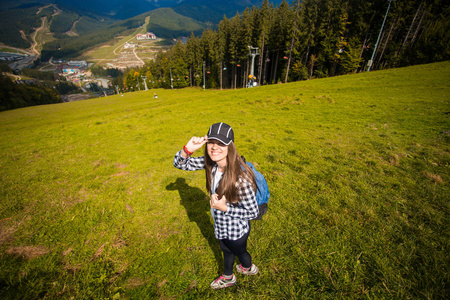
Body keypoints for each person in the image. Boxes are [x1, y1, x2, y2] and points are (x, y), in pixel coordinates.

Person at [173, 122, 259, 290]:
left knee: (235, 252)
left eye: (221, 143)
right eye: (211, 142)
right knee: (229, 251)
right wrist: (188, 149)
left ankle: (235, 274)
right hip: (221, 226)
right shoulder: (212, 164)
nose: (214, 147)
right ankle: (247, 268)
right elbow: (180, 164)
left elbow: (253, 212)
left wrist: (225, 208)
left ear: (231, 146)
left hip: (236, 231)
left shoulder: (241, 178)